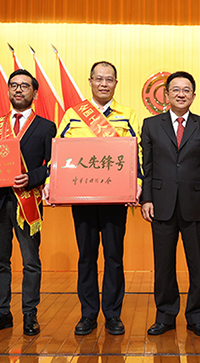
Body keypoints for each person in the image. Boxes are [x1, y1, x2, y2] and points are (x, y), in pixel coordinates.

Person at [44, 61, 142, 336]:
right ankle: (88, 314)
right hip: (83, 197)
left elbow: (137, 154)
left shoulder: (127, 115)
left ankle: (112, 314)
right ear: (90, 81)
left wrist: (137, 184)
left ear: (116, 83)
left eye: (109, 79)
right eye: (99, 78)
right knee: (86, 256)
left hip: (115, 199)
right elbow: (58, 152)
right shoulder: (73, 115)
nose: (103, 84)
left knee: (114, 256)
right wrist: (51, 182)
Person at [0, 69, 56, 336]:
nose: (18, 89)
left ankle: (30, 314)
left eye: (24, 86)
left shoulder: (46, 126)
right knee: (0, 261)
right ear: (8, 91)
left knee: (31, 261)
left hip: (27, 202)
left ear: (35, 93)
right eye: (14, 85)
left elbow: (52, 165)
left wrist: (31, 177)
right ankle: (2, 312)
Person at [140, 71, 200, 337]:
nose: (181, 94)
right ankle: (165, 315)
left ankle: (198, 317)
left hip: (196, 205)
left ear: (193, 95)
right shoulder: (151, 125)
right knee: (163, 265)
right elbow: (147, 166)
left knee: (198, 265)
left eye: (186, 90)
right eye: (175, 89)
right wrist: (146, 198)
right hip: (161, 204)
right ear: (166, 94)